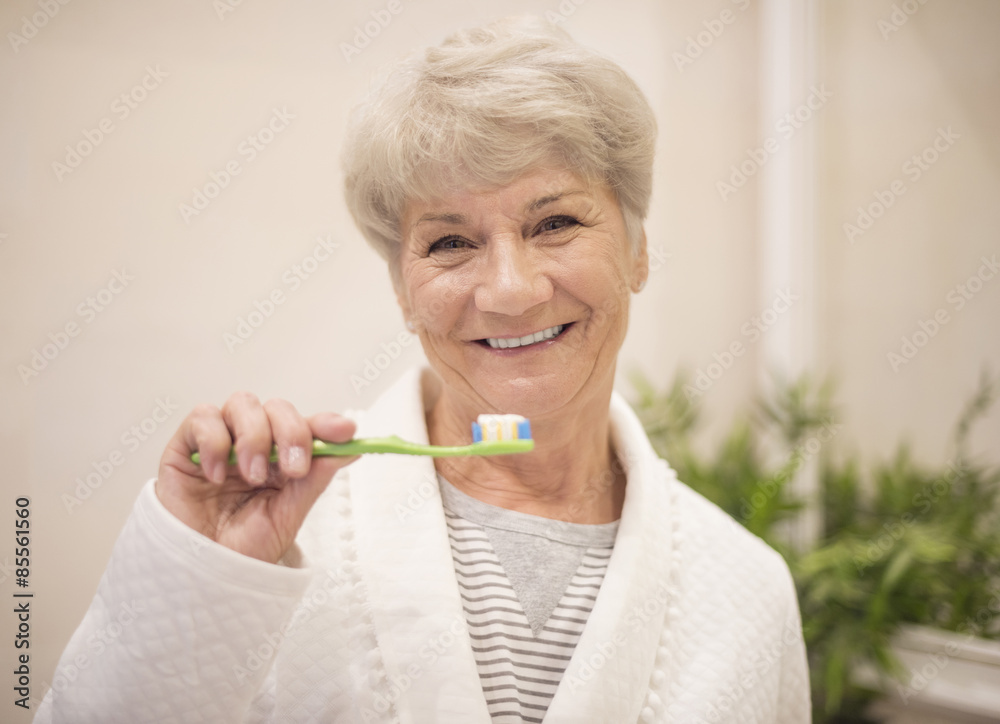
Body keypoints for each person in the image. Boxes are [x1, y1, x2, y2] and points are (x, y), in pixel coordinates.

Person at [36, 16, 810, 724]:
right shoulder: (263, 547)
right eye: (449, 243)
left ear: (637, 251)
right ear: (404, 290)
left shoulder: (744, 592)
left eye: (557, 222)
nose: (510, 289)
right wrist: (196, 586)